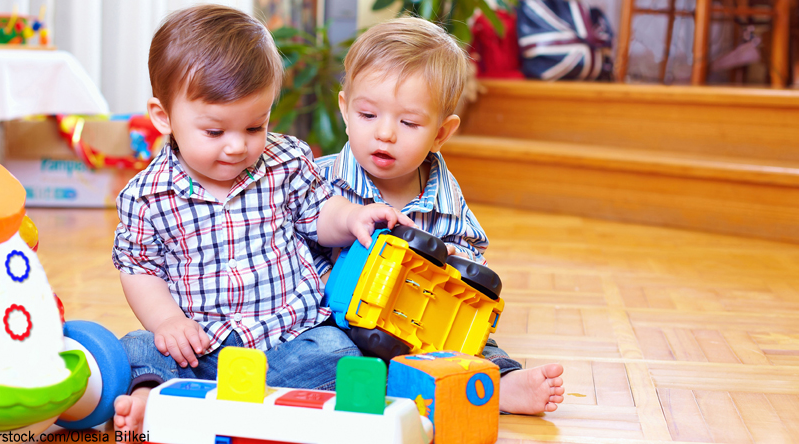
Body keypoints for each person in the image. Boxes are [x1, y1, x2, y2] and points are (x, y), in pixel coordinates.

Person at [111, 5, 414, 433]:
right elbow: (139, 269)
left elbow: (319, 213)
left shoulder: (284, 160)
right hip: (204, 345)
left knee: (340, 350)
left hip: (290, 336)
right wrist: (168, 322)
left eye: (255, 127)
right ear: (164, 118)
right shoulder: (145, 196)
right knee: (138, 346)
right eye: (215, 132)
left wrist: (353, 218)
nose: (237, 146)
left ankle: (200, 401)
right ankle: (185, 394)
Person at [313, 17, 565, 415]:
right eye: (367, 116)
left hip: (423, 328)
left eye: (409, 122)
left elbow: (472, 254)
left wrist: (444, 265)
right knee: (326, 350)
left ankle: (501, 384)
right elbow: (294, 244)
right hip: (343, 323)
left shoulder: (444, 194)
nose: (385, 134)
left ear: (441, 134)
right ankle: (380, 386)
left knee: (477, 346)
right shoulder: (318, 179)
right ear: (345, 109)